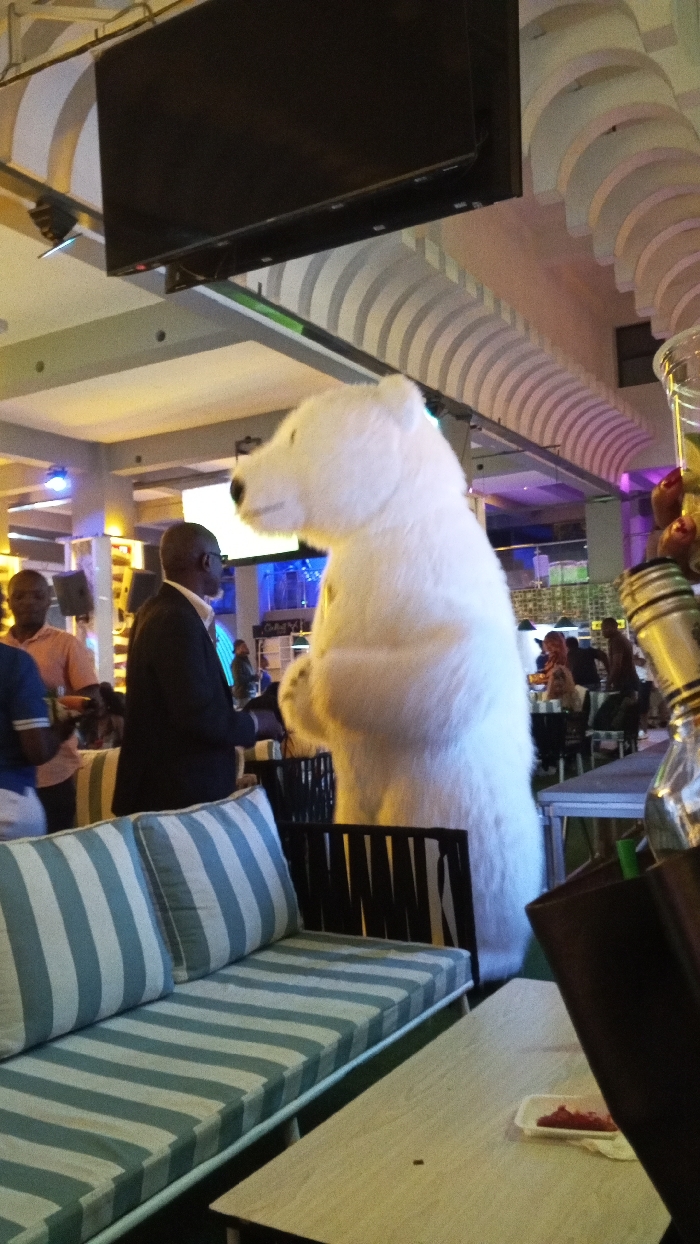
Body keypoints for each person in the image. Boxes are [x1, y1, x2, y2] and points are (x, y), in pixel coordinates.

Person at [113, 522, 257, 815]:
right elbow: (196, 715)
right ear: (206, 561)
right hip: (176, 796)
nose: (223, 568)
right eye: (221, 559)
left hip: (166, 792)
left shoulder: (153, 610)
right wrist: (256, 723)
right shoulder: (176, 619)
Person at [1, 569, 99, 831]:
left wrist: (59, 713)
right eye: (20, 596)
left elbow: (90, 697)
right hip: (11, 771)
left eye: (37, 596)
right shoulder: (4, 649)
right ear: (9, 602)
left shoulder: (66, 644)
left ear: (48, 601)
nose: (28, 602)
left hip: (54, 771)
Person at [0, 586, 72, 839]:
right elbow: (37, 750)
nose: (28, 602)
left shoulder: (66, 642)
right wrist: (61, 730)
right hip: (8, 801)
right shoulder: (14, 663)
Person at [601, 617, 640, 694]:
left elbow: (617, 664)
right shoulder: (621, 638)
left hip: (624, 683)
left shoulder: (616, 640)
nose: (603, 631)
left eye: (605, 628)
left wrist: (609, 682)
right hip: (629, 680)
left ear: (613, 627)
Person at [231, 639, 258, 706]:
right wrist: (253, 678)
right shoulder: (237, 662)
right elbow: (238, 679)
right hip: (244, 697)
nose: (246, 648)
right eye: (244, 646)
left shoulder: (245, 661)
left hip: (249, 694)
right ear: (237, 649)